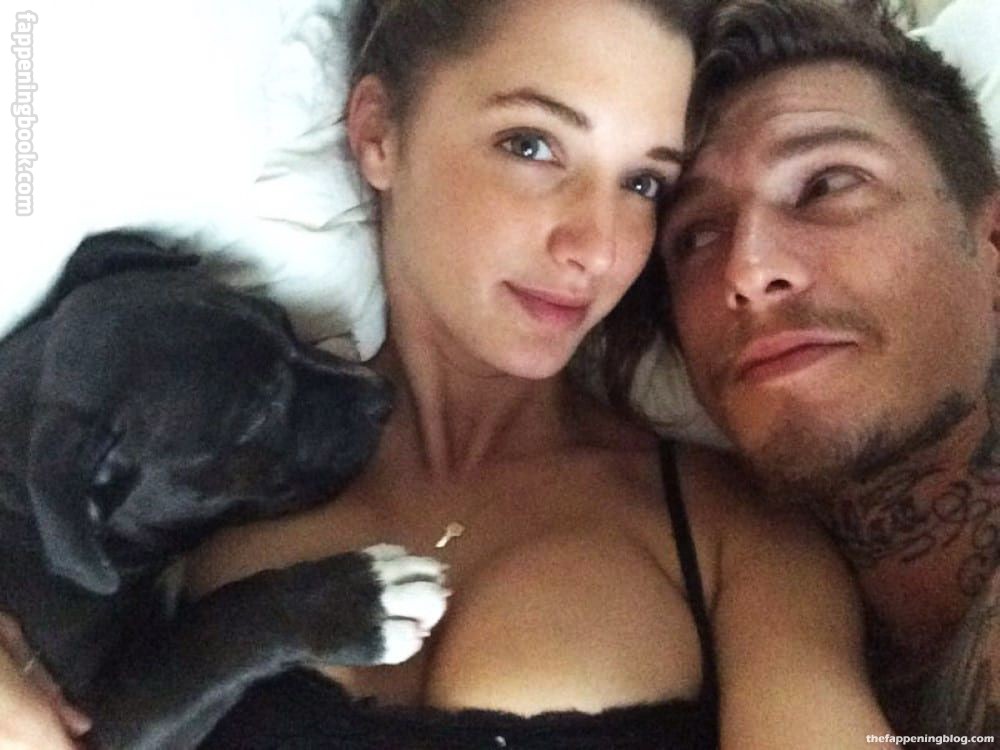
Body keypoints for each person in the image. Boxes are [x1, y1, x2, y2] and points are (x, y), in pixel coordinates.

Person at [0, 1, 894, 748]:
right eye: (533, 145)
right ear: (378, 133)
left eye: (642, 185)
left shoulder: (735, 537)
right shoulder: (202, 456)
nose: (595, 247)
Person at [657, 0, 1000, 737]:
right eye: (695, 235)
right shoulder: (678, 605)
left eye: (827, 185)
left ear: (993, 244)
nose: (747, 271)